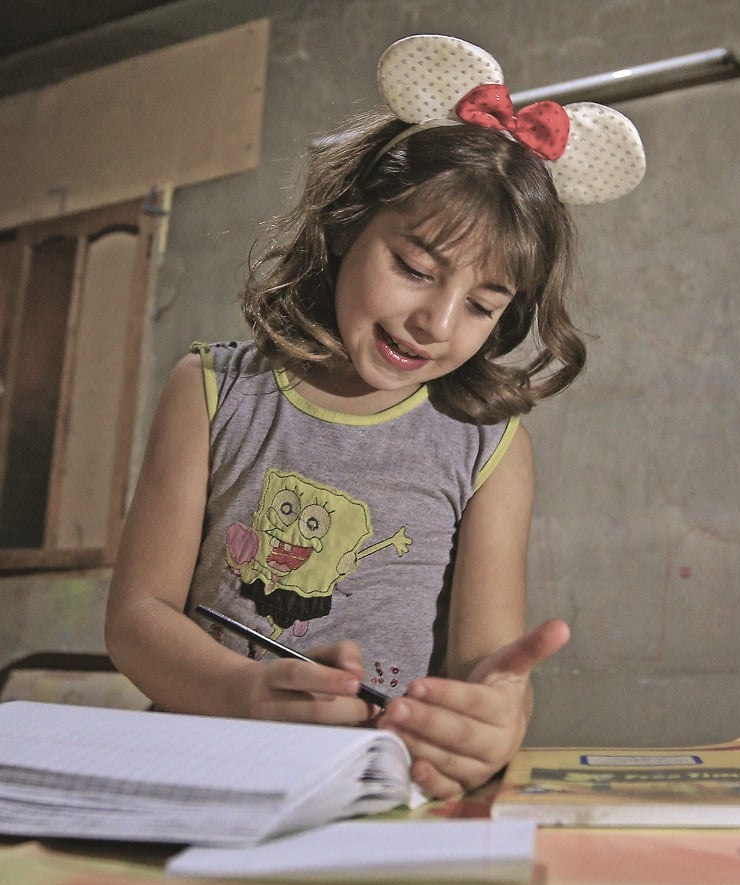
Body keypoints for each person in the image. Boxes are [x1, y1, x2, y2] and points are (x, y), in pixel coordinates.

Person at [105, 34, 645, 800]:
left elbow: (487, 669)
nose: (436, 322)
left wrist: (498, 716)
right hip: (197, 774)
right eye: (415, 268)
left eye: (482, 305)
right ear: (345, 227)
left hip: (375, 793)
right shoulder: (212, 389)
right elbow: (137, 617)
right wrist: (242, 691)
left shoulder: (491, 445)